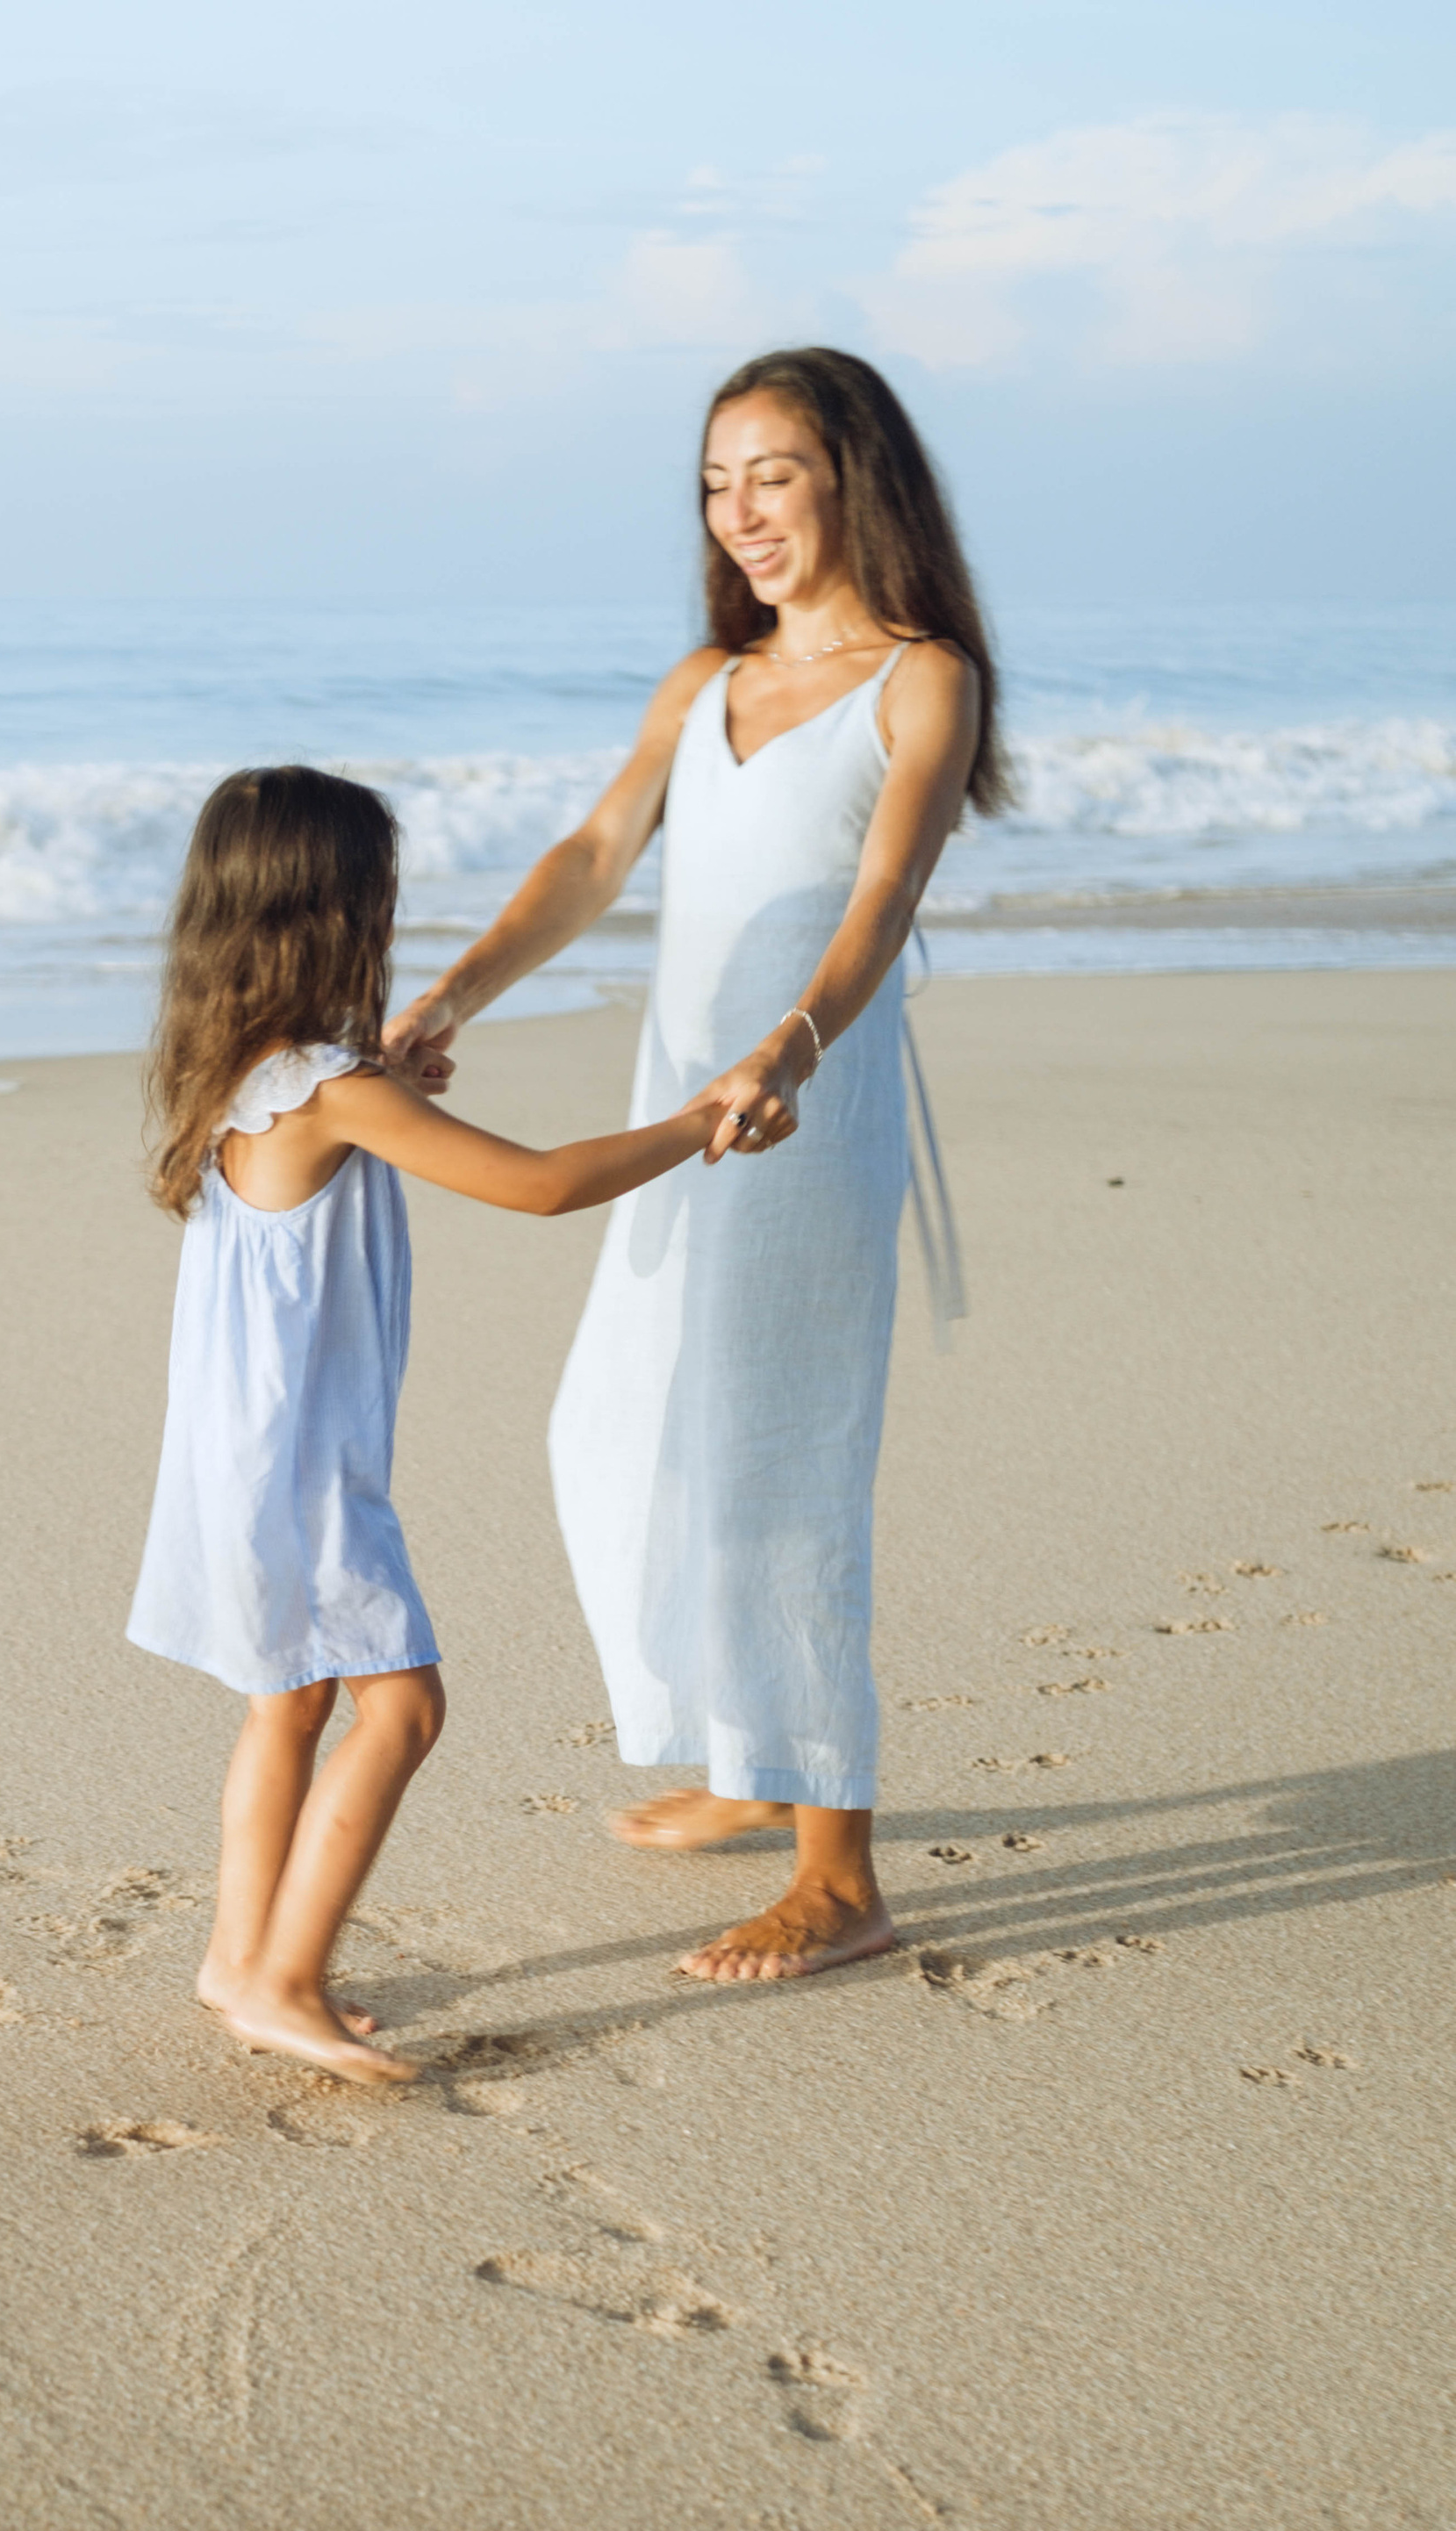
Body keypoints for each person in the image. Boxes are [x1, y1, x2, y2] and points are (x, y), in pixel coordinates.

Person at [388, 349, 1008, 1982]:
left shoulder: (920, 679)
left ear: (853, 476)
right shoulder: (702, 681)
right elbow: (595, 857)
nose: (740, 512)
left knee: (782, 1462)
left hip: (802, 1113)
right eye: (718, 482)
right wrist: (451, 994)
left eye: (775, 474)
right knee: (623, 1426)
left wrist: (790, 1050)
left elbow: (878, 903)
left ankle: (840, 1873)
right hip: (685, 1108)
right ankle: (756, 1757)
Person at [128, 764, 721, 2087]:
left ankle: (239, 1960)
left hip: (242, 1459)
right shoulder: (335, 1093)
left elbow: (367, 1122)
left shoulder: (246, 1077)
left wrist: (395, 1072)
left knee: (289, 1698)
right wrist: (699, 1120)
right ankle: (283, 1978)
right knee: (401, 1707)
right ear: (334, 917)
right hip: (307, 1471)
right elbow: (544, 1186)